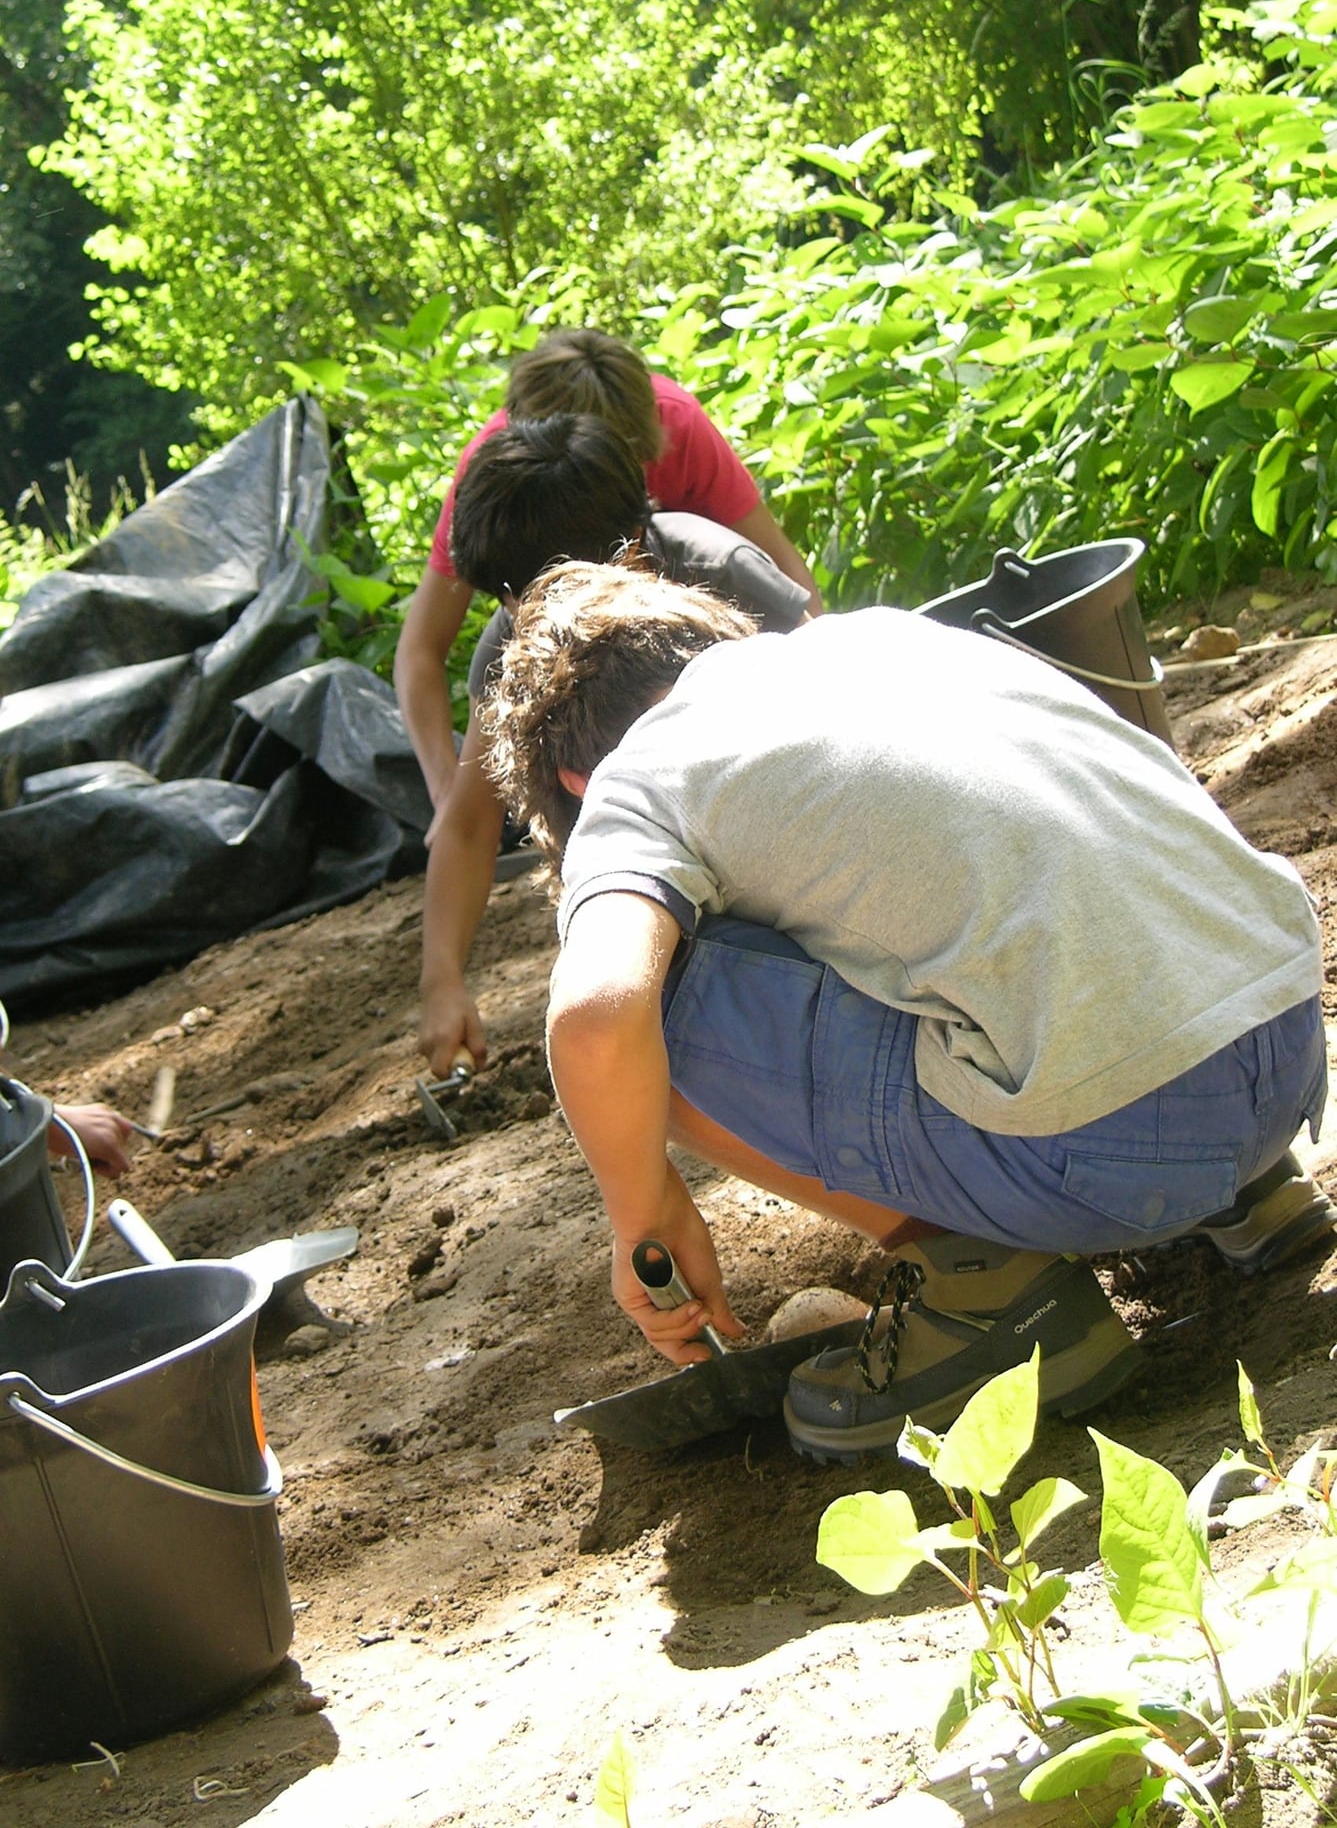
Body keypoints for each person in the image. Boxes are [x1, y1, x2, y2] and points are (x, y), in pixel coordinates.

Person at [480, 562, 1331, 1461]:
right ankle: (1249, 1189)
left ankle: (989, 1290)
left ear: (574, 781)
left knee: (663, 996)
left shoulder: (633, 777)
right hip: (1280, 1043)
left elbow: (594, 1019)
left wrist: (643, 1207)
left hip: (1118, 1149)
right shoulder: (878, 636)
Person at [414, 412, 813, 1080]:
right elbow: (468, 820)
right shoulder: (521, 638)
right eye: (506, 600)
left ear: (630, 549)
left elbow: (842, 694)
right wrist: (441, 979)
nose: (518, 614)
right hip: (660, 893)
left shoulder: (719, 571)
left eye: (530, 594)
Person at [393, 327, 817, 844]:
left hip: (688, 627)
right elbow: (421, 649)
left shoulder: (676, 429)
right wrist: (447, 793)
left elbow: (789, 583)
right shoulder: (496, 478)